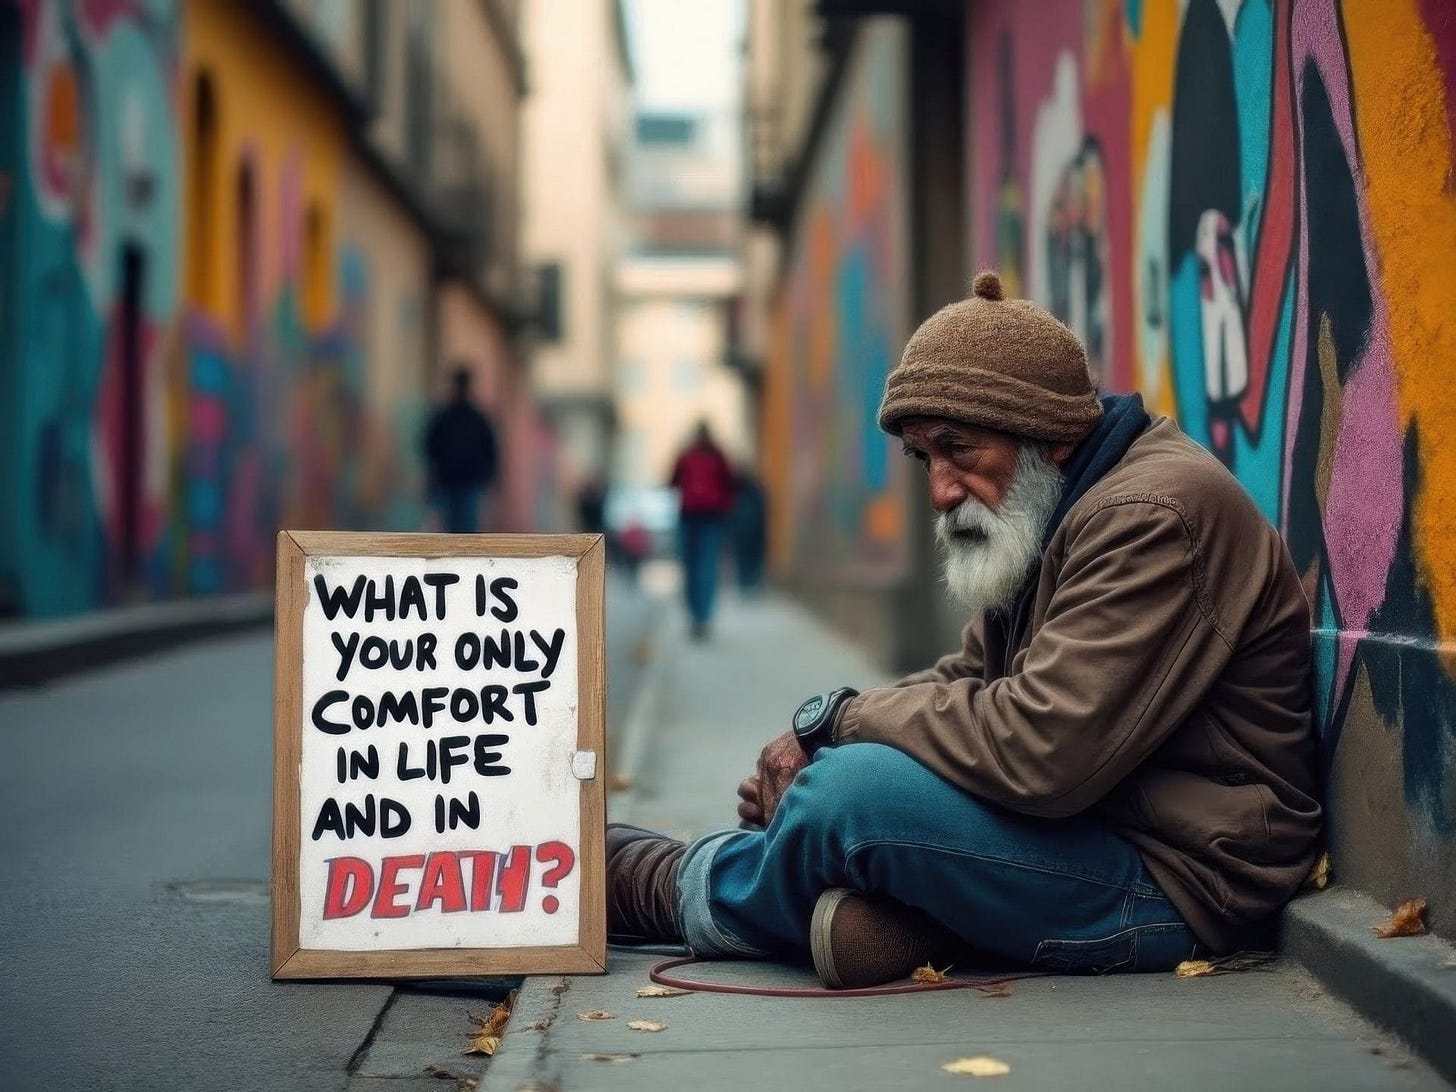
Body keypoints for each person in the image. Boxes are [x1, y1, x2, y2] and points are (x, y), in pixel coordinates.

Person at [606, 271, 1321, 989]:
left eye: (960, 450)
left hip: (1185, 881)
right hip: (1092, 836)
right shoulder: (1056, 505)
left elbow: (1043, 746)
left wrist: (841, 722)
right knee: (842, 780)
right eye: (925, 458)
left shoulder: (1152, 517)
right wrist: (812, 743)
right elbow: (966, 681)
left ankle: (676, 890)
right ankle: (899, 925)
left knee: (850, 798)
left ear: (1051, 437)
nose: (942, 491)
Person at [669, 422, 737, 640]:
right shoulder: (718, 456)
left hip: (690, 515)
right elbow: (732, 483)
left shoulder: (686, 455)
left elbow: (671, 481)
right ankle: (703, 617)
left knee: (690, 567)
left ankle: (695, 615)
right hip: (713, 516)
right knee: (707, 566)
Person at [424, 367, 498, 534]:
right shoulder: (474, 418)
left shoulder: (446, 417)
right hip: (457, 483)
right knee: (463, 533)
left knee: (454, 532)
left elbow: (431, 448)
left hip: (457, 483)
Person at [730, 468, 767, 594]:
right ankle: (751, 580)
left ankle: (745, 581)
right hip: (755, 529)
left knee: (743, 555)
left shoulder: (737, 492)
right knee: (753, 555)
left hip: (741, 530)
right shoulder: (756, 491)